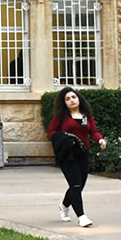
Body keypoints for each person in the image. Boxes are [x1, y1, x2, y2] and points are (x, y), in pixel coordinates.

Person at [47, 88, 103, 226]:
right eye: (67, 99)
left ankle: (64, 205)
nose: (71, 100)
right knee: (75, 184)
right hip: (68, 155)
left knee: (79, 185)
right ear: (64, 103)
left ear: (79, 99)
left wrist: (100, 140)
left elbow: (94, 132)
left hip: (82, 153)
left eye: (73, 97)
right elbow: (51, 131)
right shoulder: (61, 116)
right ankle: (82, 217)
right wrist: (63, 138)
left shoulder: (86, 115)